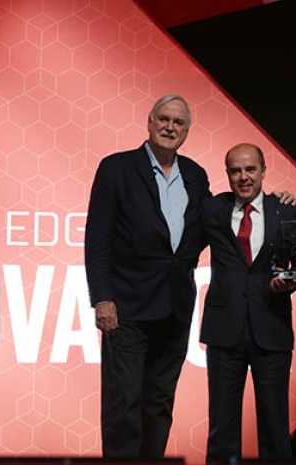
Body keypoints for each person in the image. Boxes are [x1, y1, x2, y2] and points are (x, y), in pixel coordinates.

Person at [84, 94, 210, 459]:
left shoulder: (195, 175)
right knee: (123, 403)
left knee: (159, 402)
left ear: (187, 131)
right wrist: (102, 298)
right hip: (127, 309)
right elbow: (97, 240)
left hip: (175, 308)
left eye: (179, 122)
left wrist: (268, 203)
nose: (170, 127)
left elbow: (213, 223)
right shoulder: (117, 169)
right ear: (150, 122)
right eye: (164, 119)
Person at [199, 143, 296, 462]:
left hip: (272, 328)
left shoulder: (286, 209)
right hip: (224, 331)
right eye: (236, 171)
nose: (244, 177)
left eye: (250, 169)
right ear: (227, 174)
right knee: (221, 427)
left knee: (275, 426)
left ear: (264, 170)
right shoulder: (212, 209)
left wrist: (290, 282)